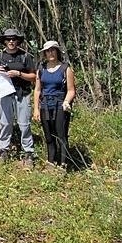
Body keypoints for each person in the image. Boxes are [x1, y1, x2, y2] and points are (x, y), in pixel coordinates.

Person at [0, 28, 36, 169]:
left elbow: (33, 77)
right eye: (8, 39)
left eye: (13, 39)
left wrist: (19, 74)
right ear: (4, 41)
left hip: (23, 94)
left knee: (24, 124)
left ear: (18, 41)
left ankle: (28, 152)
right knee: (5, 123)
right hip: (5, 94)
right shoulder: (0, 56)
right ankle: (3, 150)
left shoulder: (25, 56)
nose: (11, 42)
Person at [33, 41, 76, 171]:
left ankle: (63, 164)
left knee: (61, 135)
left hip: (60, 105)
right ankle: (51, 162)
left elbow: (71, 90)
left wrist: (66, 101)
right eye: (48, 51)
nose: (50, 53)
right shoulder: (41, 68)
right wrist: (36, 108)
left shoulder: (65, 68)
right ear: (45, 53)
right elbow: (37, 90)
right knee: (49, 136)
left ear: (57, 52)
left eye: (53, 50)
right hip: (45, 104)